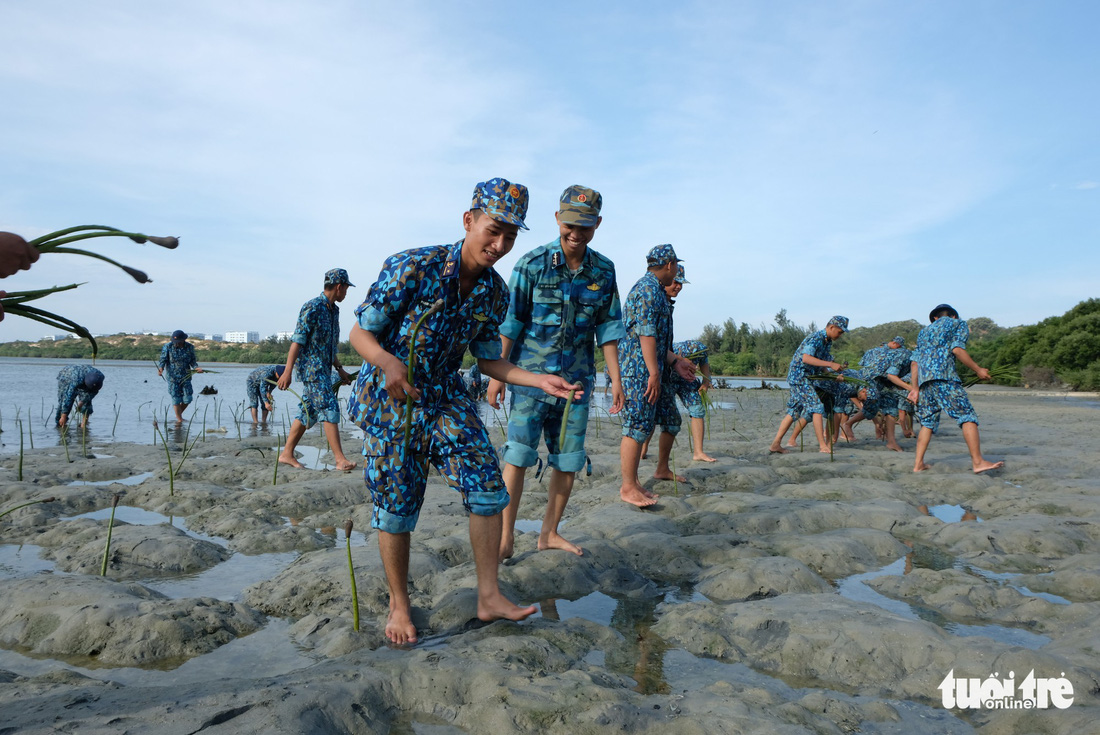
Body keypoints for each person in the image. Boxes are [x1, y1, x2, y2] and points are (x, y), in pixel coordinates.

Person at [346, 177, 582, 645]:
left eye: (511, 236)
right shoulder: (413, 267)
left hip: (447, 396)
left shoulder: (494, 292)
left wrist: (538, 379)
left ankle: (489, 595)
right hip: (393, 399)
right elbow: (359, 333)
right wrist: (388, 361)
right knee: (396, 508)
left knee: (489, 489)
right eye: (493, 230)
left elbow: (487, 358)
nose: (500, 245)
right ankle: (399, 604)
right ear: (469, 220)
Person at [485, 184, 626, 562]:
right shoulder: (531, 264)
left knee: (568, 459)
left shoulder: (604, 270)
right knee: (517, 454)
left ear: (597, 224)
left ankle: (548, 533)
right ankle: (504, 535)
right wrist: (498, 376)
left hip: (577, 384)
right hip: (530, 381)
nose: (576, 235)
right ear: (557, 219)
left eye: (585, 227)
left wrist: (615, 379)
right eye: (569, 226)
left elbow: (609, 330)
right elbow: (510, 323)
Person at [617, 245, 696, 507]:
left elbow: (660, 341)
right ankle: (628, 487)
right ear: (670, 265)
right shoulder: (648, 290)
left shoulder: (657, 293)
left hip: (655, 368)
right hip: (639, 370)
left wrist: (676, 362)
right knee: (637, 425)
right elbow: (646, 334)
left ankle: (657, 472)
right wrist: (652, 372)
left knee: (670, 421)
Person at [277, 269, 357, 470]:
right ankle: (340, 460)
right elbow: (297, 341)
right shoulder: (312, 307)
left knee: (308, 412)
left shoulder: (334, 310)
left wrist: (340, 370)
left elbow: (329, 347)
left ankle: (286, 454)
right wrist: (287, 371)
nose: (346, 293)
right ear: (339, 286)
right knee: (330, 407)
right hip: (312, 371)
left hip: (324, 369)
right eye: (346, 288)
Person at [909, 304, 1004, 474]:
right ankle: (978, 462)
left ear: (935, 318)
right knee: (967, 416)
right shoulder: (958, 324)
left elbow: (914, 362)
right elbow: (957, 350)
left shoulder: (924, 332)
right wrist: (978, 370)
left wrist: (915, 388)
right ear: (953, 316)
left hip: (925, 383)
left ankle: (918, 464)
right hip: (945, 378)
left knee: (927, 422)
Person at [768, 316, 849, 454]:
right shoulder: (816, 337)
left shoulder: (827, 342)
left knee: (794, 411)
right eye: (840, 332)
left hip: (807, 378)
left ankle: (775, 444)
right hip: (799, 376)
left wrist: (833, 376)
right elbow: (806, 358)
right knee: (817, 407)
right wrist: (830, 363)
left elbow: (822, 366)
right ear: (831, 327)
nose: (840, 335)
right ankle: (823, 446)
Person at [846, 336, 912, 450]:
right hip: (870, 379)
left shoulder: (899, 353)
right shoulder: (905, 355)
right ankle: (848, 424)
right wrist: (911, 389)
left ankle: (891, 441)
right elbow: (892, 376)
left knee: (892, 406)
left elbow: (893, 377)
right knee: (872, 400)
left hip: (883, 381)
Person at [157, 330, 203, 422]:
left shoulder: (190, 347)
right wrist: (161, 368)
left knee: (188, 398)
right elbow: (163, 360)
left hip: (186, 376)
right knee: (176, 398)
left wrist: (196, 368)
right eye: (175, 342)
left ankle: (178, 417)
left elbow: (193, 361)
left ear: (183, 340)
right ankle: (179, 420)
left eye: (178, 341)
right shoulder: (168, 347)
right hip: (172, 377)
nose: (176, 343)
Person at [55, 365, 104, 429]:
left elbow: (92, 393)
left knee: (87, 402)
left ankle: (83, 425)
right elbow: (68, 398)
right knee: (63, 400)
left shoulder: (100, 377)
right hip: (67, 376)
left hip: (84, 378)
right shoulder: (75, 380)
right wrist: (64, 415)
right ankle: (61, 424)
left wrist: (82, 402)